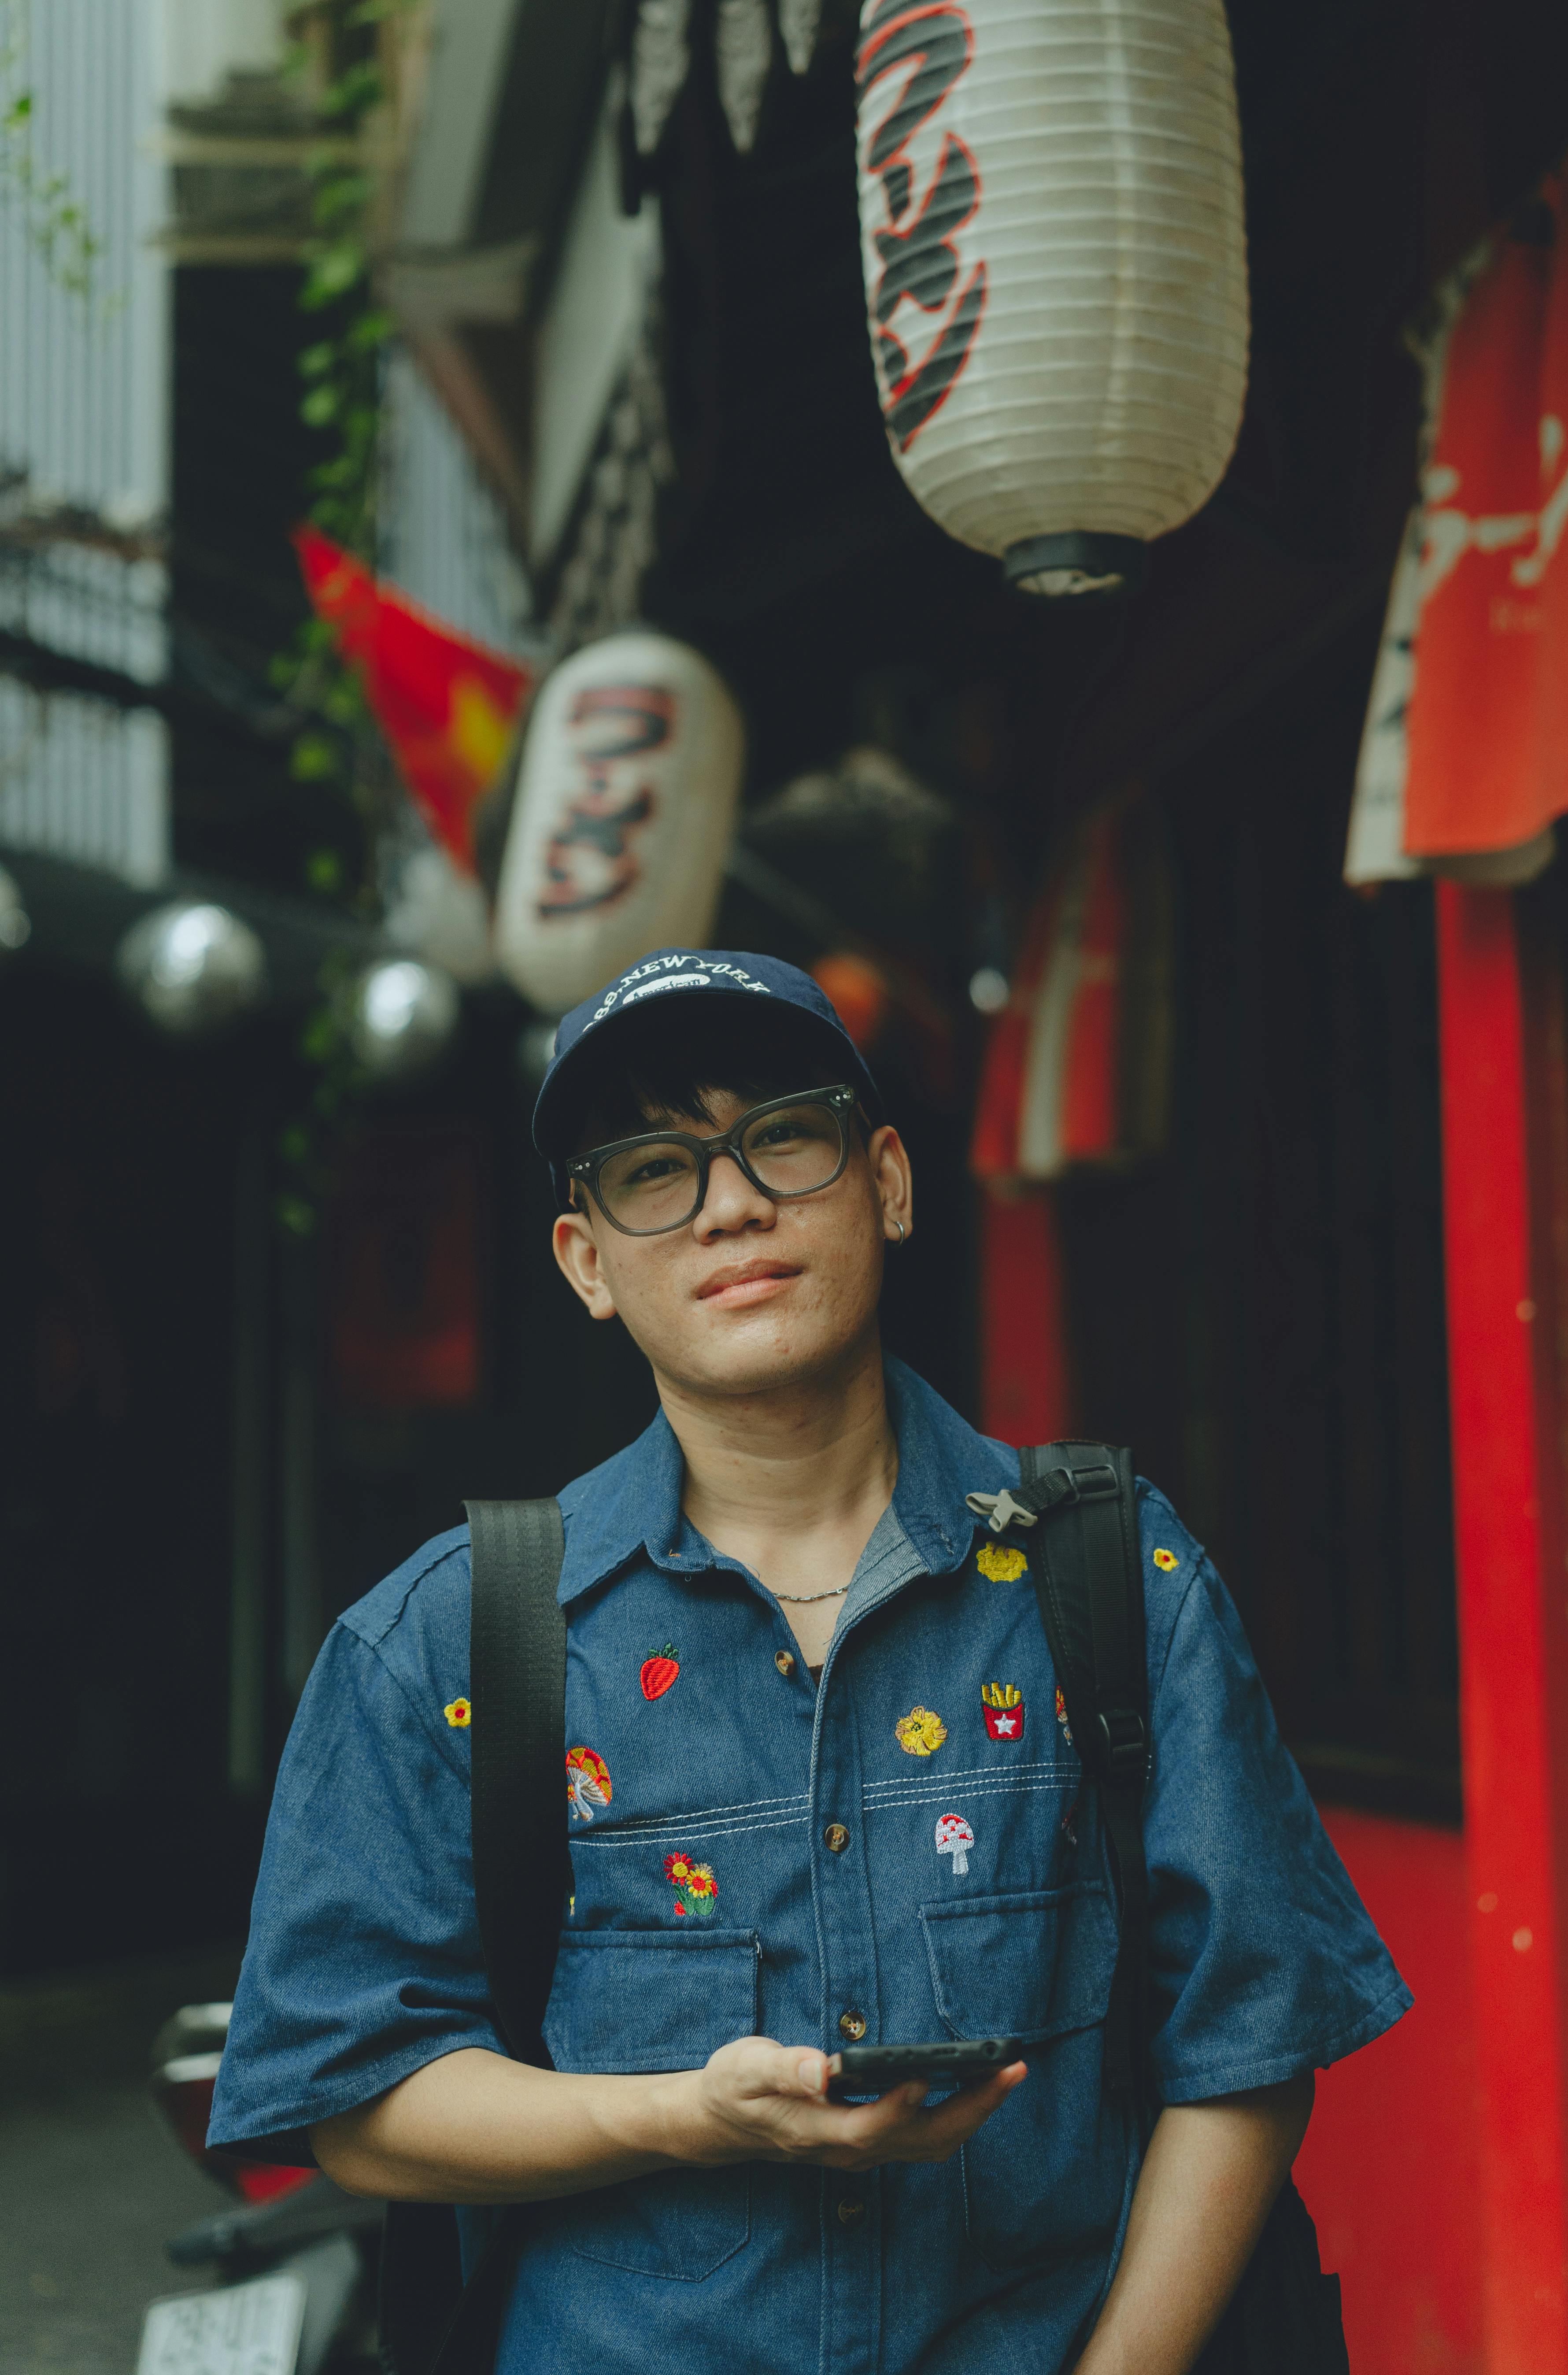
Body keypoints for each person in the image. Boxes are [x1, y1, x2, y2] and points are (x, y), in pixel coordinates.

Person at [210, 947, 1410, 2375]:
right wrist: (679, 2114)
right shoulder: (453, 1647)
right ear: (587, 1263)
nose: (730, 1202)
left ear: (888, 1183)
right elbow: (357, 2097)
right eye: (653, 1168)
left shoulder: (1114, 1579)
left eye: (783, 1134)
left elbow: (1250, 2045)